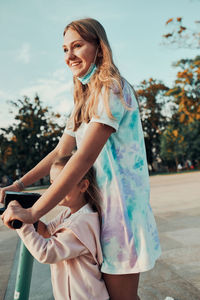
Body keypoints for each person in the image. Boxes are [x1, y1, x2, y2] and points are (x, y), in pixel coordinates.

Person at [0, 18, 161, 300]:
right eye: (64, 49)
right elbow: (60, 153)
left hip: (121, 213)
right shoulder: (84, 99)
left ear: (99, 48)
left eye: (77, 46)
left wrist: (34, 213)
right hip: (100, 211)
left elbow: (83, 159)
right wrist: (18, 185)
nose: (69, 55)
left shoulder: (112, 88)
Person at [3, 156, 109, 300]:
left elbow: (46, 252)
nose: (54, 190)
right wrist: (22, 212)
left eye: (61, 184)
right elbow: (46, 231)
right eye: (52, 184)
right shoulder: (68, 214)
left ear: (83, 186)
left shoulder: (83, 223)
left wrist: (22, 224)